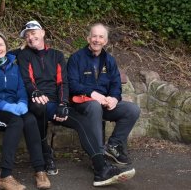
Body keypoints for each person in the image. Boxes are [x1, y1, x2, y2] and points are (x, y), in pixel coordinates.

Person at [16, 20, 136, 187]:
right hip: (39, 102)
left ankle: (101, 169)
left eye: (33, 33)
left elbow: (63, 83)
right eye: (27, 35)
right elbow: (26, 78)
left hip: (57, 104)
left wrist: (63, 103)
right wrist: (35, 92)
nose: (30, 37)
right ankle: (50, 155)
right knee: (39, 107)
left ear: (43, 32)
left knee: (83, 122)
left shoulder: (57, 55)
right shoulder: (23, 55)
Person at [0, 31, 51, 190]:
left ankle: (40, 170)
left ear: (6, 47)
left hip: (13, 109)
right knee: (15, 122)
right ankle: (4, 176)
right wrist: (6, 106)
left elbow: (21, 89)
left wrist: (22, 103)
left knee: (30, 120)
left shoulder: (14, 67)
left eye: (1, 44)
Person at [67, 23, 140, 165]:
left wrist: (114, 98)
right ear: (88, 38)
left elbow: (116, 85)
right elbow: (72, 84)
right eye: (94, 36)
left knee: (132, 110)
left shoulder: (110, 60)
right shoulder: (76, 58)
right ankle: (99, 156)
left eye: (101, 37)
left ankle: (112, 145)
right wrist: (93, 94)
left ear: (105, 41)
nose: (97, 40)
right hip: (83, 104)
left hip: (104, 105)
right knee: (94, 106)